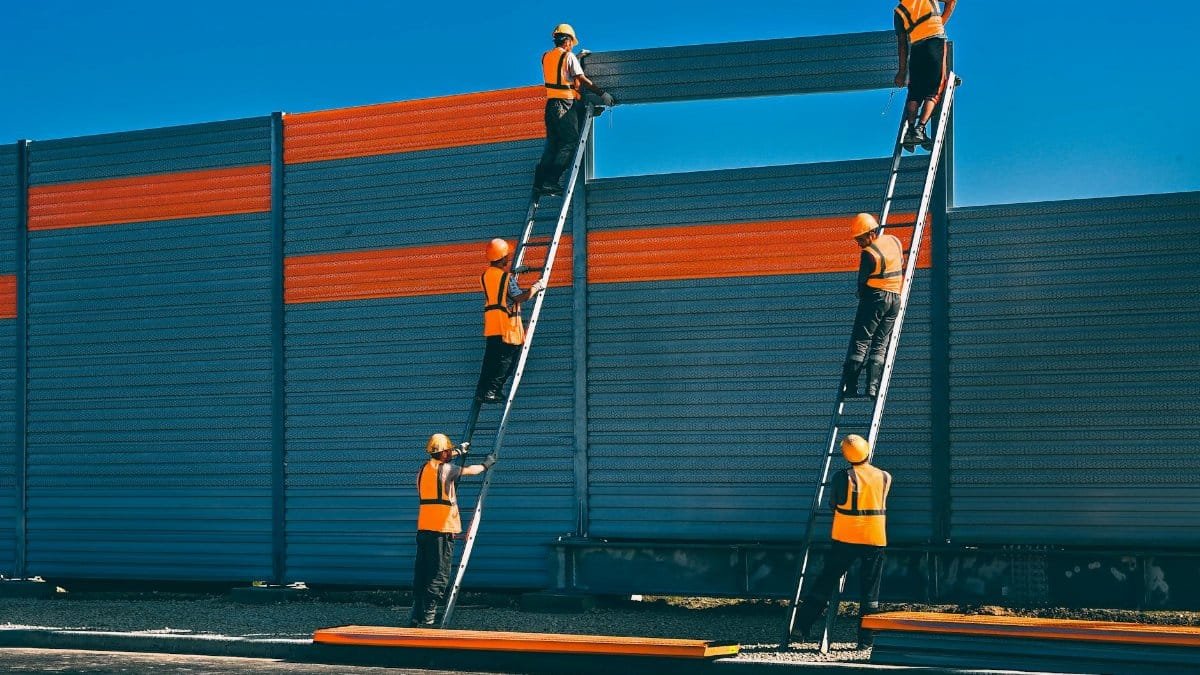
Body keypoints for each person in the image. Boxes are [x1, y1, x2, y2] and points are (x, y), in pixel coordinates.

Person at [790, 434, 892, 648]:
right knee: (870, 592)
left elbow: (834, 504)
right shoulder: (885, 476)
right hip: (875, 538)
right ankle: (866, 641)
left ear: (846, 455)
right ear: (866, 450)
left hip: (845, 538)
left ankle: (801, 628)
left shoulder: (841, 477)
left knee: (825, 583)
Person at [409, 433, 496, 627]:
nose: (450, 453)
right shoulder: (448, 469)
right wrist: (486, 464)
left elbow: (434, 472)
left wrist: (459, 451)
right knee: (439, 572)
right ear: (443, 453)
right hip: (442, 528)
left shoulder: (422, 470)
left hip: (424, 528)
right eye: (448, 450)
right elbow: (471, 471)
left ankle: (417, 612)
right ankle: (430, 614)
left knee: (422, 570)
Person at [532, 23, 615, 196]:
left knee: (553, 145)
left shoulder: (545, 56)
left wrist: (576, 59)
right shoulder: (569, 57)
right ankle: (551, 181)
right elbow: (581, 80)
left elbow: (560, 73)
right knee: (569, 142)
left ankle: (539, 183)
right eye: (571, 42)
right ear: (568, 40)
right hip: (564, 105)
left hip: (551, 105)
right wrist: (602, 94)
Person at [474, 238, 545, 404]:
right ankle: (492, 391)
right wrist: (536, 286)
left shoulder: (485, 276)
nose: (508, 258)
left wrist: (514, 273)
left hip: (492, 324)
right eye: (507, 255)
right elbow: (519, 297)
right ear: (503, 257)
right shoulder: (506, 278)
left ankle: (482, 390)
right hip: (506, 325)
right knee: (507, 360)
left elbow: (499, 288)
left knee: (490, 360)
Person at [841, 213, 904, 400]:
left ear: (870, 233)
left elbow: (862, 284)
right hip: (895, 299)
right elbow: (899, 263)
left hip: (876, 298)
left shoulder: (868, 253)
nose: (859, 243)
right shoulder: (894, 241)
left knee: (861, 342)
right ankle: (873, 388)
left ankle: (851, 387)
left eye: (860, 239)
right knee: (880, 344)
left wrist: (863, 294)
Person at [893, 0, 956, 151]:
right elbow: (952, 1)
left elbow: (902, 44)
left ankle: (910, 130)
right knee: (934, 90)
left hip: (916, 47)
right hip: (935, 42)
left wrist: (902, 72)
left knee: (915, 91)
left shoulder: (899, 11)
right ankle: (920, 128)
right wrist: (941, 23)